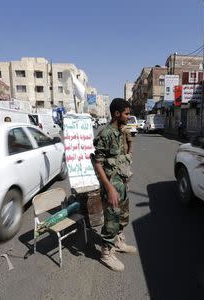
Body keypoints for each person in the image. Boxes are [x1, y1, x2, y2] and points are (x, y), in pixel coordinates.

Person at [92, 98, 137, 272]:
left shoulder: (119, 132)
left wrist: (124, 181)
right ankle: (105, 253)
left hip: (121, 182)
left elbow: (118, 159)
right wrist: (109, 188)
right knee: (111, 219)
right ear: (117, 114)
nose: (129, 116)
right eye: (126, 113)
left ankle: (118, 243)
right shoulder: (106, 133)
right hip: (111, 185)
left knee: (123, 215)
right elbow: (98, 163)